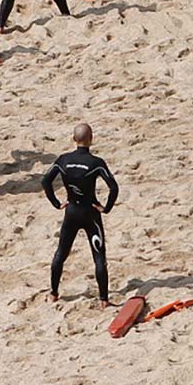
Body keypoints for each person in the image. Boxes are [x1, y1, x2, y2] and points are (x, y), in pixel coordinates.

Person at [43, 123, 120, 307]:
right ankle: (103, 299)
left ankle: (54, 293)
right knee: (99, 258)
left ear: (73, 139)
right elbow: (114, 187)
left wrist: (56, 203)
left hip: (71, 212)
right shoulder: (96, 163)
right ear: (91, 139)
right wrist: (106, 208)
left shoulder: (63, 160)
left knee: (61, 254)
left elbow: (46, 181)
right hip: (91, 213)